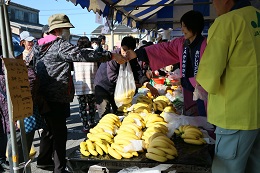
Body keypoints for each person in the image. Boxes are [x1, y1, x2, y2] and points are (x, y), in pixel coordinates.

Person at [33, 13, 126, 173]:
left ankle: (43, 160)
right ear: (60, 29)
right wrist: (110, 55)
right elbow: (83, 54)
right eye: (66, 29)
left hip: (42, 96)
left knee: (49, 130)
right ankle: (59, 168)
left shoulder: (38, 46)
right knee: (60, 134)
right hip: (57, 97)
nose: (67, 32)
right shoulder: (59, 45)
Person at [196, 0, 260, 172]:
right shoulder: (257, 15)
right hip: (256, 114)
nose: (213, 5)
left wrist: (200, 87)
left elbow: (210, 71)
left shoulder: (228, 21)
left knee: (227, 168)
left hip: (235, 116)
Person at [131, 10, 207, 117]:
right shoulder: (181, 43)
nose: (182, 29)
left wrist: (184, 81)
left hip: (205, 95)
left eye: (185, 26)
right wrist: (138, 54)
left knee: (206, 124)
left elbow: (209, 74)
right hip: (188, 94)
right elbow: (163, 49)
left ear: (194, 26)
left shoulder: (207, 45)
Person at [94, 36, 159, 118]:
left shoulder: (132, 58)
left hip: (118, 90)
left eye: (129, 51)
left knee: (119, 111)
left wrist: (150, 87)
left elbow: (138, 73)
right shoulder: (113, 57)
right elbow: (112, 77)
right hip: (103, 86)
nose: (125, 53)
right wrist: (130, 83)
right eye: (124, 50)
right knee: (105, 113)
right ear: (120, 47)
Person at [73, 36, 97, 132]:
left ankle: (85, 125)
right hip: (91, 83)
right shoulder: (93, 53)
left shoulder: (75, 54)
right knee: (91, 105)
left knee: (82, 105)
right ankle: (91, 122)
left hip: (79, 84)